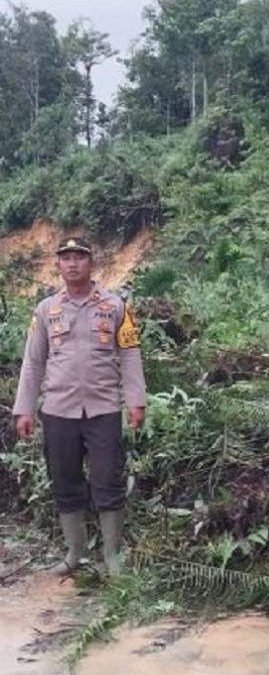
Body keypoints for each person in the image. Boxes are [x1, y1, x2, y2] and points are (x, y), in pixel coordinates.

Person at [13, 236, 147, 576]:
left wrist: (136, 401)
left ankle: (112, 555)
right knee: (64, 479)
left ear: (92, 263)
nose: (72, 263)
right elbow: (33, 362)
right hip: (58, 411)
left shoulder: (115, 306)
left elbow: (130, 356)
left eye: (79, 257)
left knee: (108, 479)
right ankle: (75, 553)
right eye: (66, 258)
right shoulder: (46, 310)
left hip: (103, 409)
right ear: (58, 265)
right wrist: (24, 409)